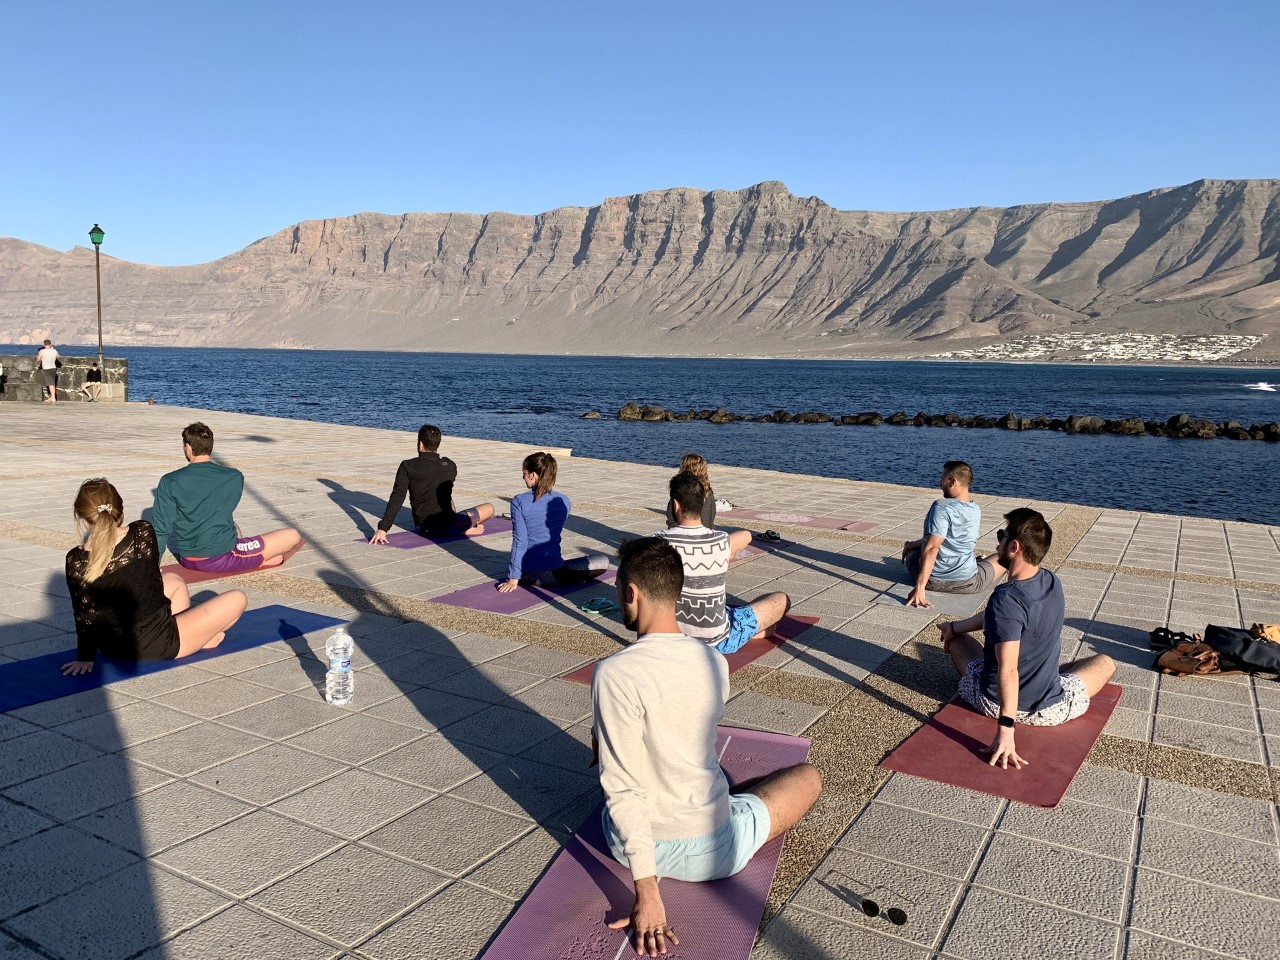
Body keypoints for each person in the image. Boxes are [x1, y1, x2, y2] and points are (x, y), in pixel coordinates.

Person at [593, 537, 822, 956]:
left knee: (615, 742)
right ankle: (736, 804)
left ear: (632, 593)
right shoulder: (713, 661)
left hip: (626, 846)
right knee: (808, 778)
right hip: (712, 852)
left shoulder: (614, 673)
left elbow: (621, 788)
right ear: (676, 593)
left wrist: (647, 890)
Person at [938, 508, 1116, 769]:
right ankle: (1044, 678)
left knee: (960, 644)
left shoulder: (1005, 599)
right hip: (1052, 708)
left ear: (1014, 546)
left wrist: (1006, 730)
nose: (997, 544)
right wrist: (955, 626)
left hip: (996, 703)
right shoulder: (1051, 582)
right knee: (1105, 662)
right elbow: (995, 618)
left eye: (1001, 536)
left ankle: (1001, 707)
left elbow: (1009, 669)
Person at [62, 479, 248, 675]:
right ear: (119, 510)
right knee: (238, 598)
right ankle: (196, 639)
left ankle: (190, 633)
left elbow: (84, 616)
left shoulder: (74, 559)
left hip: (113, 648)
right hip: (157, 644)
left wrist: (85, 657)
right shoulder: (141, 531)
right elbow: (153, 589)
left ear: (82, 518)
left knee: (174, 580)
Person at [658, 471, 789, 655]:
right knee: (781, 599)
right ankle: (749, 633)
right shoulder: (720, 540)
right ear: (702, 504)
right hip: (717, 640)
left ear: (675, 505)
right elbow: (746, 535)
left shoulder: (656, 543)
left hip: (669, 637)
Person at [150, 422, 302, 573]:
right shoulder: (234, 477)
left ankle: (251, 558)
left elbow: (160, 530)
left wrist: (152, 568)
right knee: (292, 536)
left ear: (188, 447)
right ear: (210, 446)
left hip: (187, 558)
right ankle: (257, 561)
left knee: (234, 527)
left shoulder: (169, 480)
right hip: (220, 557)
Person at [497, 452, 609, 592]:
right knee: (603, 560)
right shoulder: (564, 501)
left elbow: (520, 541)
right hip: (554, 574)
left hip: (525, 574)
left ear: (533, 475)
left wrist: (513, 578)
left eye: (524, 473)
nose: (523, 477)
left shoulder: (519, 501)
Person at [901, 461, 1004, 608]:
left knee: (914, 554)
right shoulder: (975, 509)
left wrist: (920, 588)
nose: (940, 483)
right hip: (969, 583)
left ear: (952, 481)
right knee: (1004, 556)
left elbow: (932, 547)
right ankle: (975, 562)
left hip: (933, 582)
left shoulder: (941, 507)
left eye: (942, 478)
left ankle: (912, 549)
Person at [369, 424, 494, 544]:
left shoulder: (407, 466)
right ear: (437, 444)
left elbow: (398, 497)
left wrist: (383, 528)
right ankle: (463, 529)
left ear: (420, 444)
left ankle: (461, 528)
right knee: (489, 508)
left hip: (424, 527)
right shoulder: (450, 466)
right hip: (448, 525)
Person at [35, 339, 58, 403]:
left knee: (50, 383)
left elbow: (38, 359)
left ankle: (53, 398)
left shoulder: (42, 351)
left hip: (46, 368)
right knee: (52, 383)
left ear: (44, 345)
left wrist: (37, 356)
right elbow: (58, 357)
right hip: (53, 368)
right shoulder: (54, 350)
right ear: (50, 344)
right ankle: (52, 397)